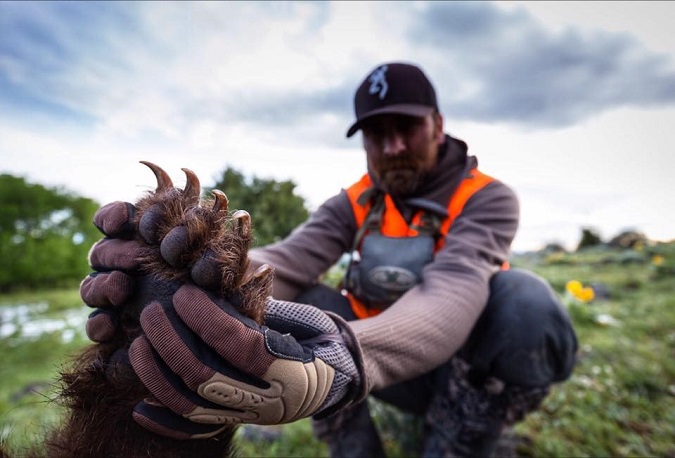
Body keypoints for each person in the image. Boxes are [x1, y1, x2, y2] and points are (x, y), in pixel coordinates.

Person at [82, 62, 577, 457]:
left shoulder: (486, 197)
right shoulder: (357, 201)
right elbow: (289, 260)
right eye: (376, 133)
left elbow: (451, 287)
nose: (393, 146)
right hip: (386, 379)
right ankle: (354, 447)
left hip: (466, 370)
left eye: (407, 127)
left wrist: (345, 356)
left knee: (524, 302)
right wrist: (198, 273)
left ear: (439, 125)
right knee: (311, 303)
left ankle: (460, 439)